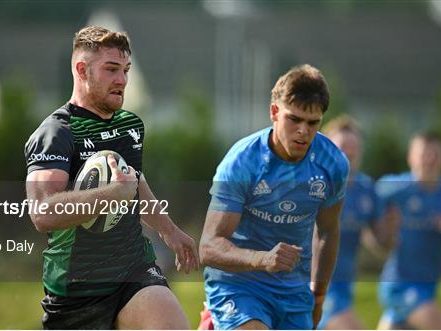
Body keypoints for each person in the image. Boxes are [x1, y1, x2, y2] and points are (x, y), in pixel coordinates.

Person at [24, 26, 198, 329]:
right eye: (111, 69)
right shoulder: (56, 134)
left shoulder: (129, 125)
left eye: (126, 70)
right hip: (78, 292)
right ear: (82, 69)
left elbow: (134, 182)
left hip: (134, 270)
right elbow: (42, 213)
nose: (122, 80)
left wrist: (169, 230)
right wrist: (111, 196)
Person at [198, 64, 350, 330]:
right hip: (239, 285)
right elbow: (209, 246)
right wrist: (262, 259)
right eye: (294, 119)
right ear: (274, 112)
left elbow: (327, 231)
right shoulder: (241, 163)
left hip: (294, 291)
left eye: (312, 122)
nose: (303, 131)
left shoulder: (333, 164)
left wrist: (319, 294)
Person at [376, 132, 441, 330]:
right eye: (423, 154)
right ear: (411, 158)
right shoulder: (393, 189)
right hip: (398, 284)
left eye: (435, 154)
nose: (429, 160)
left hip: (428, 286)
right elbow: (365, 217)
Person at [317, 116, 391, 329]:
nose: (349, 152)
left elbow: (379, 243)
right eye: (343, 146)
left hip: (344, 287)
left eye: (354, 147)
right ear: (329, 150)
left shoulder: (367, 189)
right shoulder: (314, 185)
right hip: (313, 286)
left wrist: (389, 230)